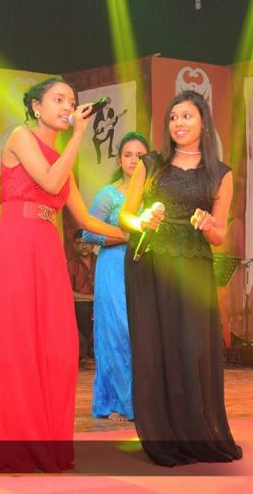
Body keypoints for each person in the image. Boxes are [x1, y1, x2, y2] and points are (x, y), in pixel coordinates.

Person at [0, 77, 124, 473]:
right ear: (36, 107)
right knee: (16, 341)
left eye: (71, 101)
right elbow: (51, 181)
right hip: (17, 243)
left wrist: (131, 234)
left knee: (56, 345)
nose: (67, 106)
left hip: (46, 247)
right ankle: (13, 438)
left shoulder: (61, 158)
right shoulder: (21, 137)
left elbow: (85, 219)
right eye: (58, 99)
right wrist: (79, 134)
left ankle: (43, 436)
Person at [119, 90, 241, 467]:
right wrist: (141, 220)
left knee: (192, 349)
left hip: (193, 267)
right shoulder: (151, 164)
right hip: (150, 264)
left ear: (203, 122)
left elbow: (220, 236)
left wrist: (208, 225)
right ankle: (162, 437)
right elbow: (125, 216)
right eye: (173, 117)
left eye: (186, 116)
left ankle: (195, 433)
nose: (178, 123)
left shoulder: (220, 173)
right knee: (154, 350)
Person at [83, 131, 149, 422]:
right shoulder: (108, 194)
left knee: (142, 334)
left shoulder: (154, 196)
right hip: (113, 267)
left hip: (145, 268)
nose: (133, 160)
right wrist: (126, 235)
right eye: (127, 155)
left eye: (140, 155)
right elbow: (88, 234)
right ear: (119, 160)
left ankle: (143, 400)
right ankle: (117, 402)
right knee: (118, 332)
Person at [67, 229, 97, 360]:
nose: (84, 246)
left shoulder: (99, 261)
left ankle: (97, 347)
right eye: (80, 243)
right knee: (83, 309)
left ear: (93, 245)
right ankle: (87, 347)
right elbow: (66, 291)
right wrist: (90, 298)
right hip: (80, 303)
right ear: (74, 245)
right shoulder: (70, 264)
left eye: (87, 243)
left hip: (100, 301)